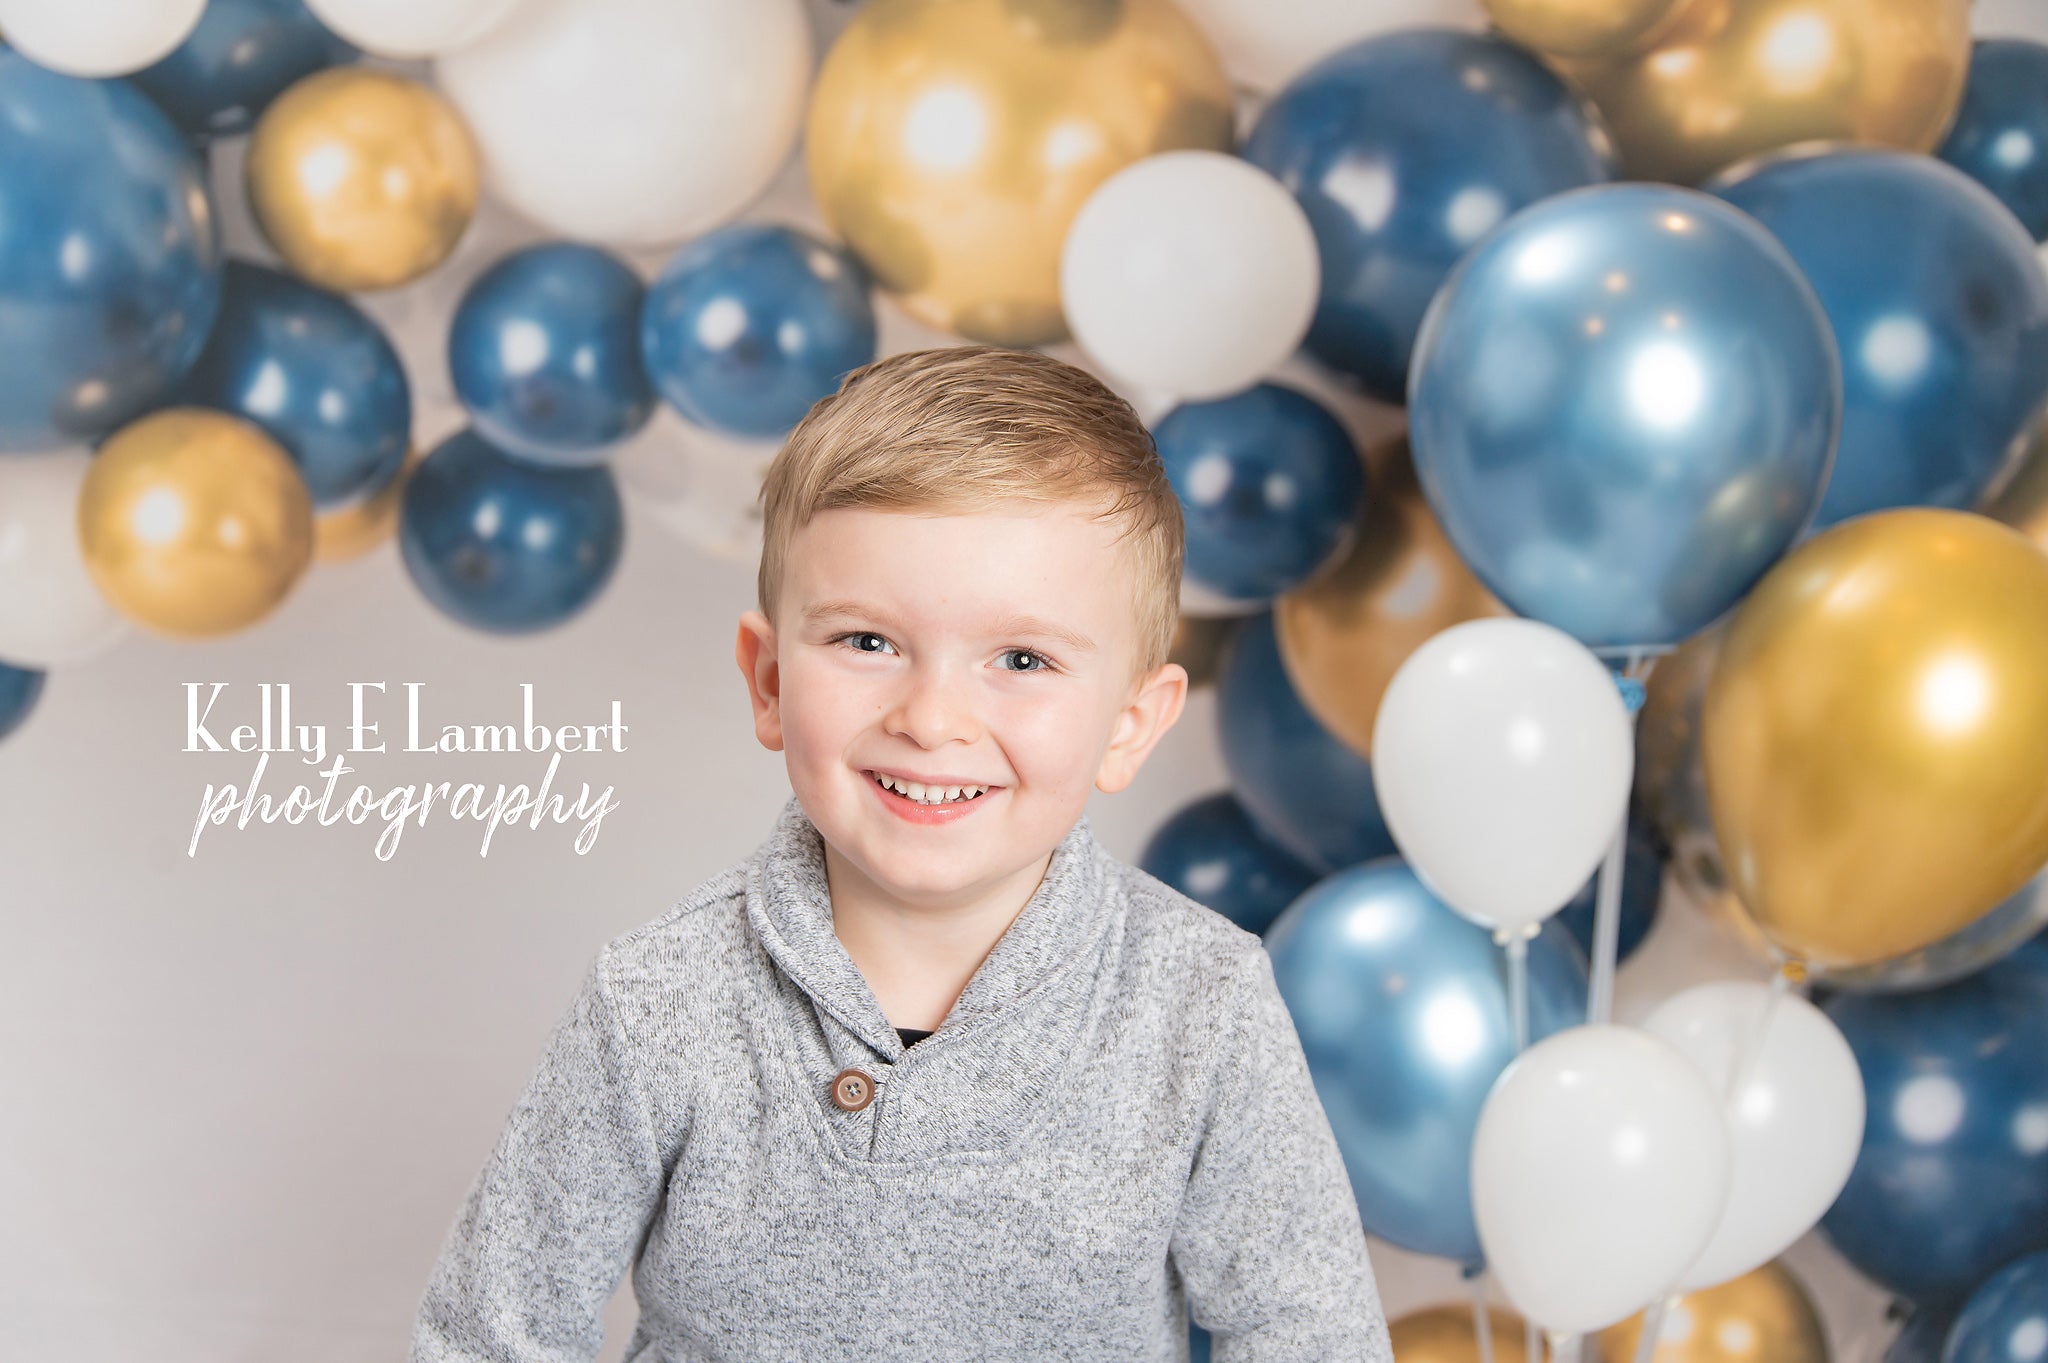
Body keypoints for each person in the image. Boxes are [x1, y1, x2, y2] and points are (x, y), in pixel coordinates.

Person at [406, 346, 1391, 1362]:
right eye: (867, 642)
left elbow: (1309, 1338)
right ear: (769, 679)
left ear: (1130, 725)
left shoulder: (1201, 1002)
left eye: (1021, 660)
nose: (931, 720)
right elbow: (490, 1333)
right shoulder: (657, 998)